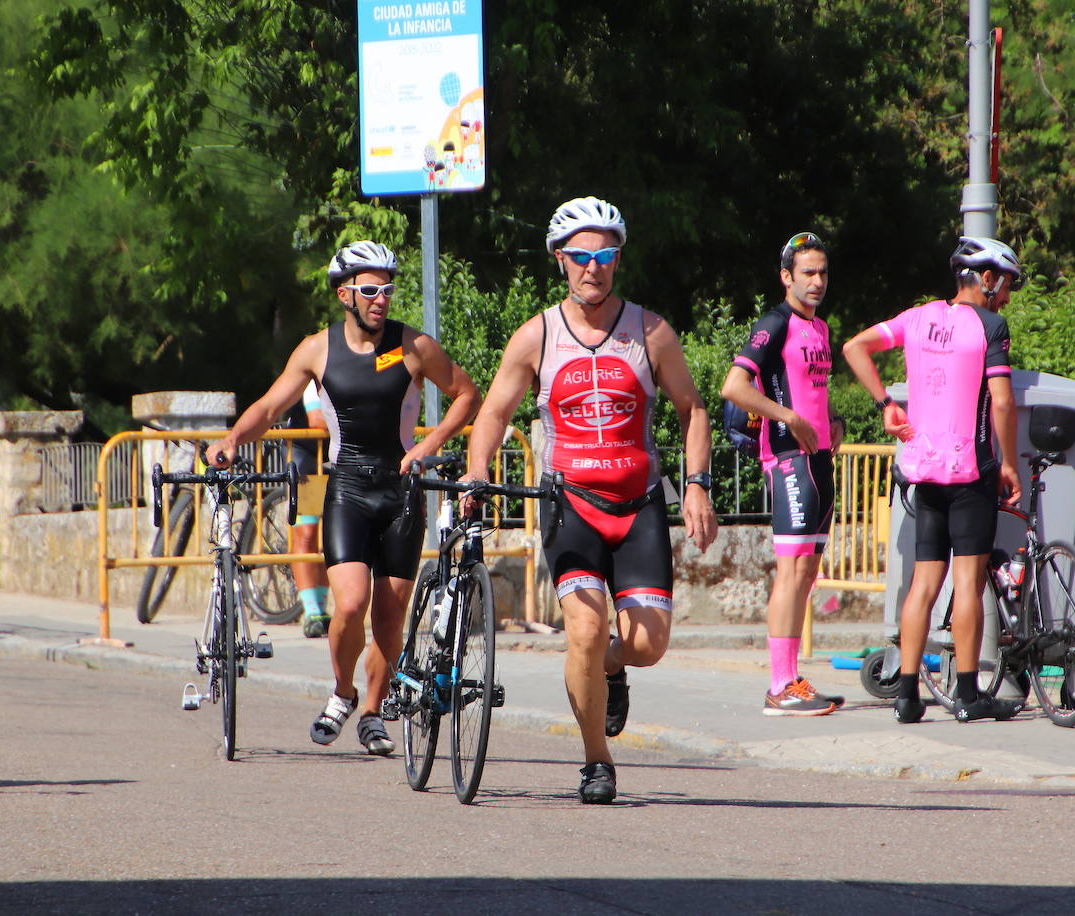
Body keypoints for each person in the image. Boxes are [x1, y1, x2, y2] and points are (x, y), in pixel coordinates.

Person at [463, 196, 718, 803]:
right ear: (561, 261)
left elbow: (693, 409)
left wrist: (699, 483)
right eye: (580, 255)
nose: (592, 267)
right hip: (570, 502)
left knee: (649, 644)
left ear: (618, 259)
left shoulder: (651, 332)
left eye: (604, 255)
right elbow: (494, 412)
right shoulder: (538, 334)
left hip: (638, 503)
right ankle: (596, 762)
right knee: (584, 626)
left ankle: (608, 669)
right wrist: (477, 474)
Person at [207, 241, 479, 754]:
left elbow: (468, 393)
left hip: (402, 491)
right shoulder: (317, 349)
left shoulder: (412, 346)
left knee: (390, 618)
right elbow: (269, 407)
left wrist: (429, 444)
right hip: (349, 488)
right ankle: (343, 691)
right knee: (349, 605)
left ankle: (373, 713)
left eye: (387, 290)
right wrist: (231, 440)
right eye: (370, 290)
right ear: (344, 294)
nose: (382, 299)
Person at [842, 236, 1024, 724]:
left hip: (923, 472)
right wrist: (1007, 463)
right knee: (967, 583)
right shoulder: (990, 325)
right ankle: (967, 696)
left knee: (923, 583)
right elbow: (1002, 402)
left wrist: (886, 405)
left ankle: (906, 696)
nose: (1006, 296)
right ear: (987, 278)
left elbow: (854, 346)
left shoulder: (915, 318)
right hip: (971, 470)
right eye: (1005, 285)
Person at [721, 231, 846, 716]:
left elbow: (814, 387)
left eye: (823, 272)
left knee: (808, 571)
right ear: (786, 277)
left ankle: (792, 677)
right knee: (791, 571)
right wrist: (786, 417)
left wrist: (830, 419)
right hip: (788, 458)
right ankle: (778, 685)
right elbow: (734, 387)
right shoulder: (775, 323)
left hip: (818, 459)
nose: (817, 281)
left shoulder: (821, 329)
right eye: (807, 273)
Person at [286, 381, 331, 638]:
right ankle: (311, 611)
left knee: (333, 538)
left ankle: (322, 609)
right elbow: (317, 421)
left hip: (336, 457)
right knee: (307, 533)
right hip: (307, 458)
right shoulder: (317, 372)